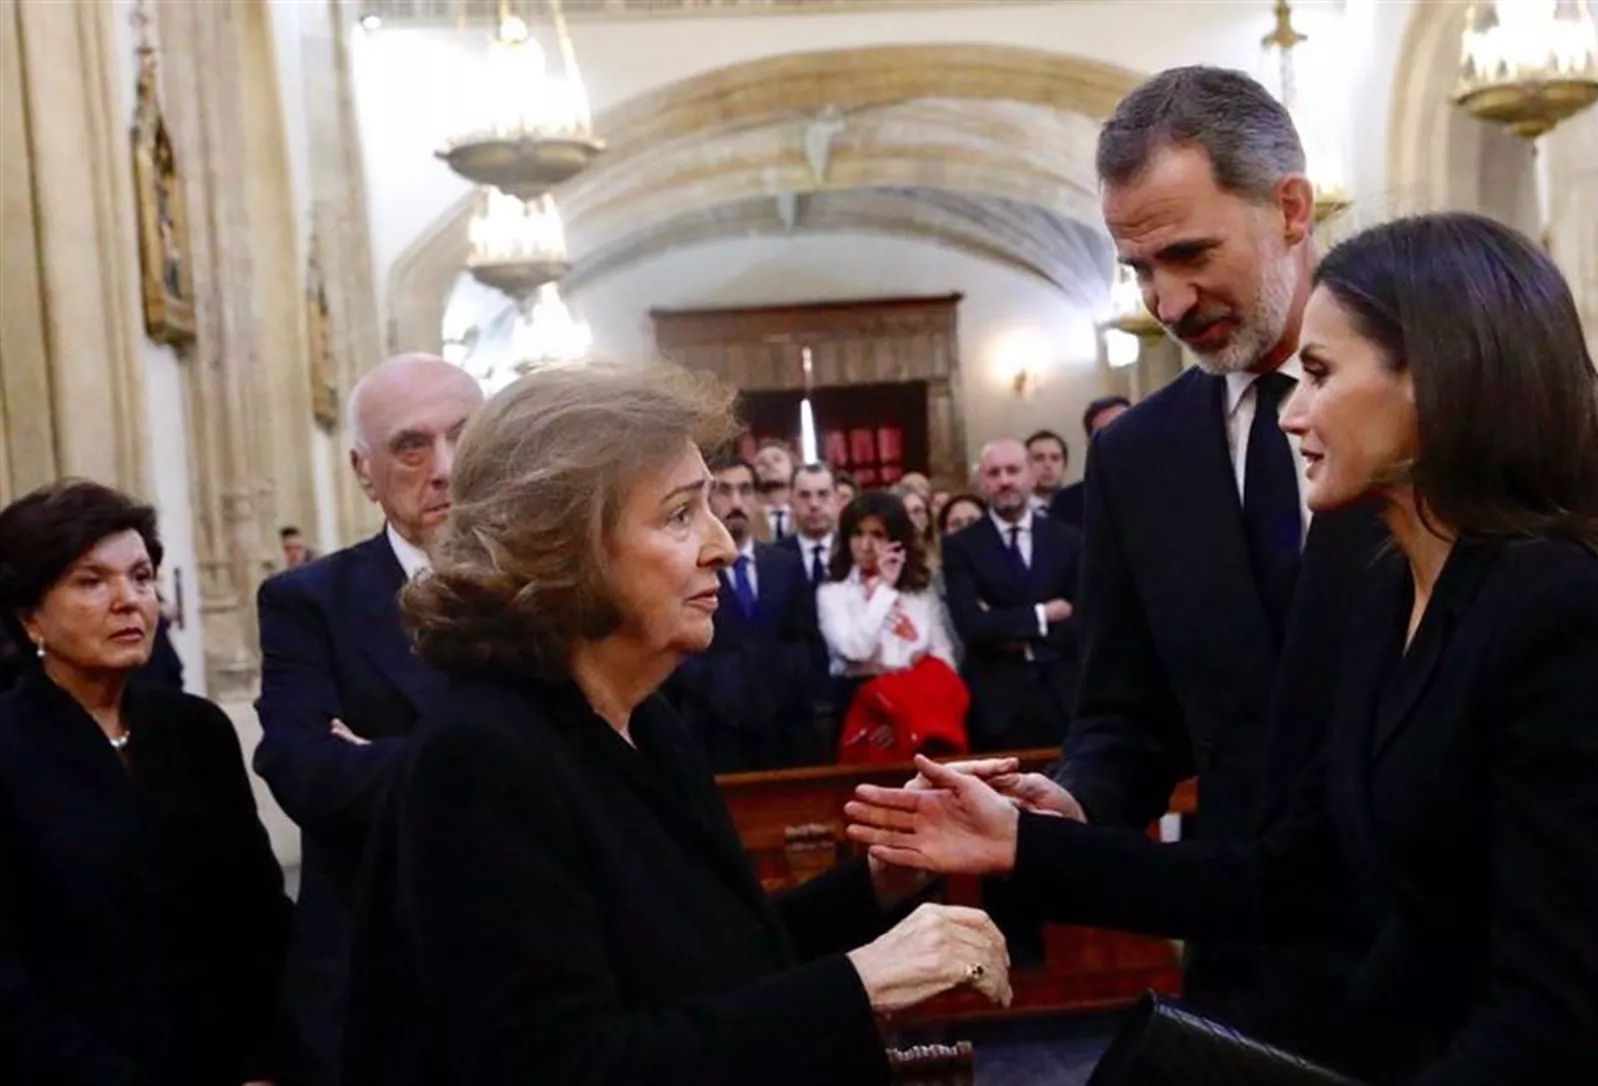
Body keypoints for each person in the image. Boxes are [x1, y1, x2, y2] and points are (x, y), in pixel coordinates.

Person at [846, 213, 1598, 1086]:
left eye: (1320, 374)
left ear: (1434, 382)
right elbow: (1288, 877)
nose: (1293, 414)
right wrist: (1022, 846)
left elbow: (1555, 1009)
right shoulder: (1387, 588)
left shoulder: (1564, 615)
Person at [341, 363, 1008, 1086]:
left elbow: (717, 966)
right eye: (681, 514)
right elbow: (566, 1065)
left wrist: (877, 883)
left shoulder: (640, 715)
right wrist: (862, 982)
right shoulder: (481, 757)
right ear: (565, 548)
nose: (722, 544)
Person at [1043, 64, 1388, 1041]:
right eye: (1139, 269)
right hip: (1251, 970)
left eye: (1189, 254)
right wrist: (1072, 799)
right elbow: (1126, 716)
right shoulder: (1135, 457)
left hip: (1445, 966)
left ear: (1288, 209)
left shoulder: (1429, 410)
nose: (1167, 300)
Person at [0, 480, 290, 1086]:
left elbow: (259, 917)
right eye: (90, 581)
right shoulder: (10, 747)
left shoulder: (195, 732)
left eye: (140, 576)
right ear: (31, 616)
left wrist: (268, 1060)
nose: (128, 600)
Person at [253, 353, 485, 1086]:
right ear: (363, 471)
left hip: (540, 961)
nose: (444, 468)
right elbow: (309, 777)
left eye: (465, 436)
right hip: (380, 972)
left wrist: (384, 755)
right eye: (411, 446)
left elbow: (598, 761)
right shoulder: (309, 602)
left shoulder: (559, 586)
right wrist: (506, 767)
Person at [664, 452, 826, 770]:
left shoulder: (785, 565)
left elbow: (805, 645)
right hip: (713, 733)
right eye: (724, 491)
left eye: (746, 490)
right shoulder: (687, 567)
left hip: (783, 735)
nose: (736, 501)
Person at [942, 440, 1080, 751]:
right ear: (981, 482)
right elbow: (973, 626)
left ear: (1031, 476)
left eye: (1013, 470)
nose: (1004, 481)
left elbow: (1083, 620)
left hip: (1063, 696)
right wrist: (1042, 616)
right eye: (994, 473)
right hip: (996, 705)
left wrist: (1004, 623)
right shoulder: (961, 546)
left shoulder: (1068, 539)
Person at [817, 490, 957, 719]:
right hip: (860, 702)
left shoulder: (919, 591)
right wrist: (884, 590)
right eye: (857, 534)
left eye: (878, 535)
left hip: (920, 705)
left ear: (897, 540)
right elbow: (856, 650)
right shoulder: (833, 592)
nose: (866, 545)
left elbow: (943, 655)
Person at [1046, 396, 1131, 527]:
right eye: (1109, 432)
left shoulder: (1162, 491)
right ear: (1090, 443)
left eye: (1126, 428)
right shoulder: (1066, 503)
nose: (1119, 439)